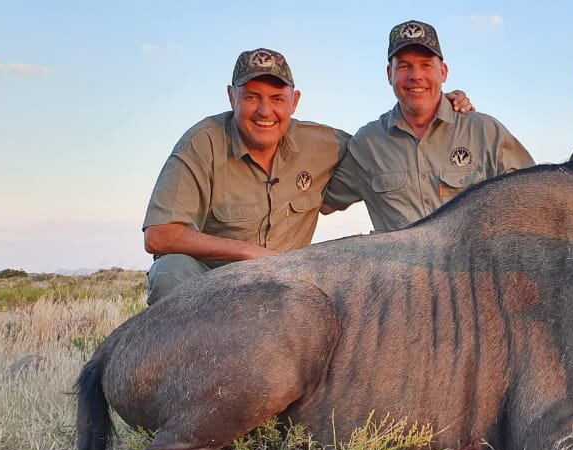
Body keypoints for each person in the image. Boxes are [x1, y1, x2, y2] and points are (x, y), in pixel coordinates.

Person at [142, 48, 474, 304]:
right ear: (232, 97)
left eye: (276, 99)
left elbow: (384, 145)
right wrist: (247, 254)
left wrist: (433, 106)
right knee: (171, 270)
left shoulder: (323, 143)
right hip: (213, 286)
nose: (264, 111)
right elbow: (159, 236)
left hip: (287, 287)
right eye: (252, 97)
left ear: (294, 101)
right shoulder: (202, 143)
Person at [322, 20, 534, 232]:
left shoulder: (485, 132)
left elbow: (535, 197)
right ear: (389, 74)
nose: (416, 76)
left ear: (443, 71)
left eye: (426, 65)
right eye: (404, 66)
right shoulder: (367, 144)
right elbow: (320, 202)